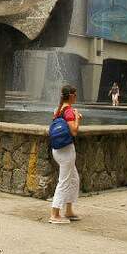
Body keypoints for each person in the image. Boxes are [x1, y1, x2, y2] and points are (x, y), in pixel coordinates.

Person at [49, 84, 81, 224]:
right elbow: (74, 131)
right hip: (66, 151)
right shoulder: (68, 111)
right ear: (72, 96)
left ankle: (68, 210)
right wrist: (77, 117)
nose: (76, 97)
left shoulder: (58, 110)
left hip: (57, 149)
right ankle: (54, 214)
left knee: (74, 179)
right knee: (64, 182)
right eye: (76, 94)